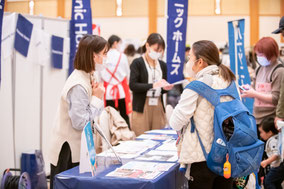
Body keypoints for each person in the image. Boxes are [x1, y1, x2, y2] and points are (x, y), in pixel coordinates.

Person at [170, 40, 236, 188]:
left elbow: (176, 122)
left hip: (201, 158)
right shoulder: (229, 80)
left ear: (200, 62)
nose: (188, 62)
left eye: (190, 58)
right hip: (227, 156)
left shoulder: (196, 86)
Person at [48, 35, 108, 189]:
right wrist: (96, 98)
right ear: (94, 55)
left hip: (80, 147)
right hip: (68, 151)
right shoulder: (78, 85)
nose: (106, 57)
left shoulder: (89, 75)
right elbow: (80, 123)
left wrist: (96, 98)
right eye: (104, 53)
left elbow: (92, 114)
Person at [129, 33, 173, 136]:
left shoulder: (162, 65)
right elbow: (133, 85)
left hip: (158, 104)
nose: (157, 53)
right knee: (142, 137)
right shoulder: (137, 63)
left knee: (158, 136)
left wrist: (166, 88)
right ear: (147, 46)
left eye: (160, 50)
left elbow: (162, 88)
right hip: (142, 106)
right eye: (156, 49)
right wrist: (153, 85)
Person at [241, 37, 284, 125]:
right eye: (257, 55)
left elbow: (276, 99)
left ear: (270, 53)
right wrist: (247, 90)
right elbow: (255, 89)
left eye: (261, 55)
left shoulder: (279, 71)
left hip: (270, 120)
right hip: (257, 118)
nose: (258, 57)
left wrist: (254, 93)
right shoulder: (259, 68)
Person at [99, 35, 131, 127]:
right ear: (115, 43)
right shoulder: (122, 56)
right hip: (120, 90)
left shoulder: (104, 56)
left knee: (109, 115)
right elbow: (127, 73)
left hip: (108, 90)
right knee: (124, 114)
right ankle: (126, 133)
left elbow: (100, 74)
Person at [258, 117, 281, 188]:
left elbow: (277, 154)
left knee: (268, 181)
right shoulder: (277, 138)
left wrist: (266, 161)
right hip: (278, 166)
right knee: (276, 183)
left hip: (278, 166)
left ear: (270, 132)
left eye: (261, 132)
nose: (260, 135)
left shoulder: (273, 141)